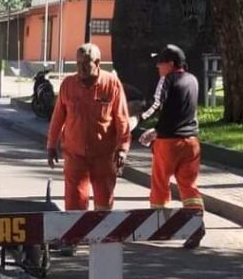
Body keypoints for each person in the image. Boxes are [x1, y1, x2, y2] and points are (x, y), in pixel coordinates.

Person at [47, 42, 131, 214]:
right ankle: (75, 238)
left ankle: (102, 236)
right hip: (74, 155)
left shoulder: (111, 84)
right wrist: (51, 145)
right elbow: (57, 118)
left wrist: (122, 148)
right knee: (74, 202)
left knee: (104, 203)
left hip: (104, 155)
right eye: (78, 64)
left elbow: (122, 118)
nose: (81, 68)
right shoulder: (68, 85)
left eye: (86, 64)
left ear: (98, 63)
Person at [137, 44, 206, 248]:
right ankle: (196, 226)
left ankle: (161, 227)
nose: (157, 66)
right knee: (189, 187)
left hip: (169, 143)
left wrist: (140, 118)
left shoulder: (167, 79)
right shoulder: (193, 80)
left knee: (160, 183)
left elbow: (157, 104)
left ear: (171, 63)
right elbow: (181, 112)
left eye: (161, 62)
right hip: (191, 142)